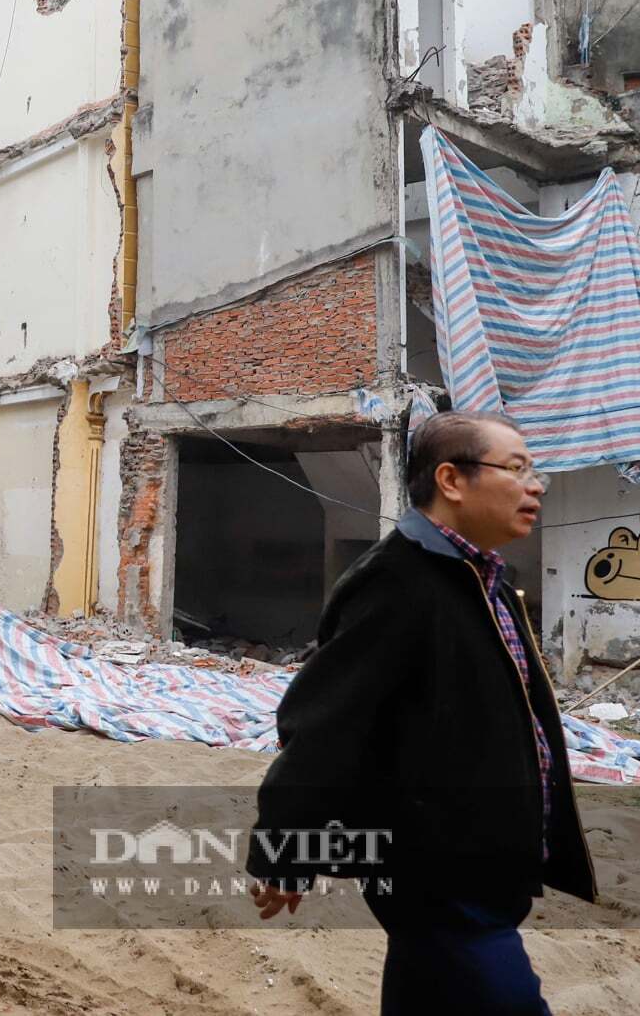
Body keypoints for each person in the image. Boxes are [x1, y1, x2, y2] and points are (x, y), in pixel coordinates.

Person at [246, 410, 596, 1015]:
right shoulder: (397, 582)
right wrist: (285, 850)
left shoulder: (482, 578)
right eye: (516, 469)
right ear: (451, 480)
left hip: (481, 859)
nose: (536, 485)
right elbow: (325, 726)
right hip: (440, 868)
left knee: (423, 989)